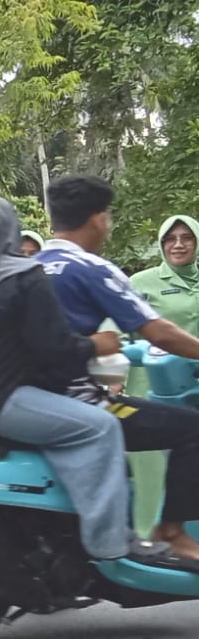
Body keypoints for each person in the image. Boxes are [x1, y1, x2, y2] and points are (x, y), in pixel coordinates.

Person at [0, 197, 185, 567]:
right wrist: (97, 345)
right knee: (101, 426)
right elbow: (55, 349)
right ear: (10, 232)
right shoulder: (23, 276)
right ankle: (112, 543)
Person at [37, 175, 199, 560]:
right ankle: (172, 531)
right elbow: (159, 332)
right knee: (193, 430)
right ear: (97, 219)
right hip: (80, 400)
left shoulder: (27, 266)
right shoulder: (93, 268)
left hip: (28, 399)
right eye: (107, 216)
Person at [122, 216, 199, 530]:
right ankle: (148, 535)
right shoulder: (142, 282)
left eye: (186, 237)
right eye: (170, 238)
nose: (178, 245)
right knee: (153, 468)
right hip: (153, 388)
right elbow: (118, 334)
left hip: (194, 389)